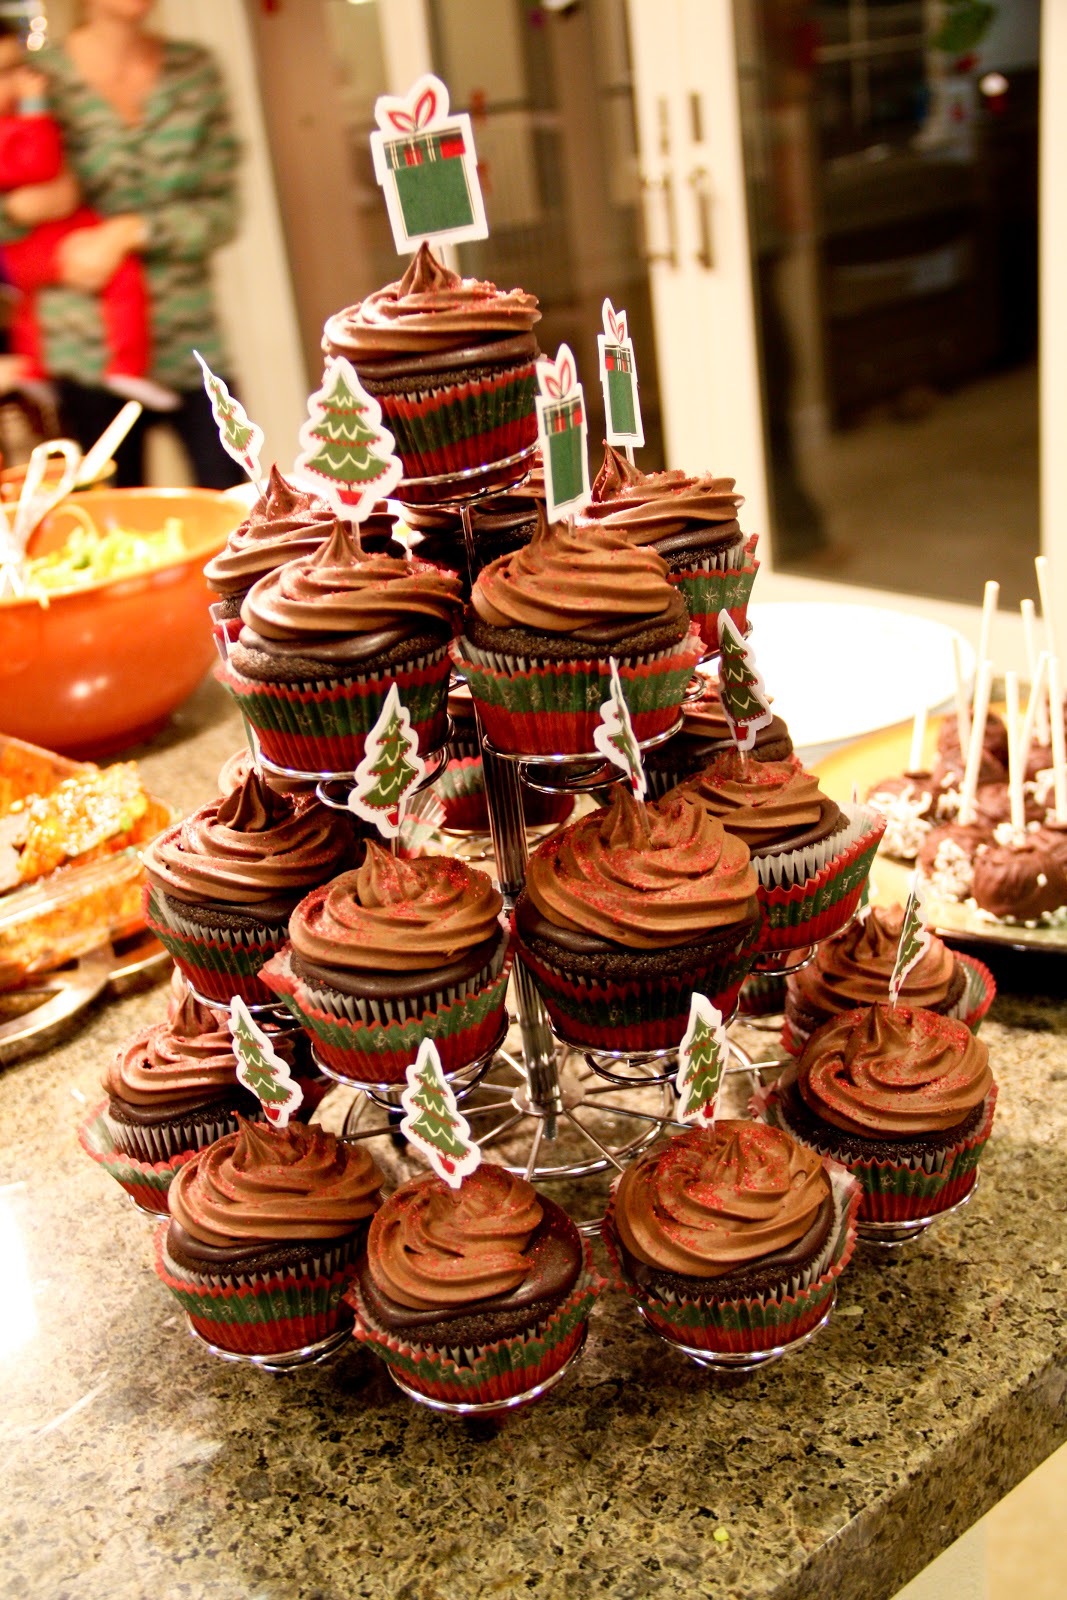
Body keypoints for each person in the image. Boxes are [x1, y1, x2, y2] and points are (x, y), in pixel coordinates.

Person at [0, 1, 243, 488]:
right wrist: (24, 214)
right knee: (116, 527)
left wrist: (128, 232)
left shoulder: (193, 73)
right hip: (84, 356)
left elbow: (221, 213)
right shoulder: (37, 79)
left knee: (239, 514)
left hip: (191, 345)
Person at [0, 18, 176, 413]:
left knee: (30, 312)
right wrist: (35, 109)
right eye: (4, 73)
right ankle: (127, 365)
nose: (19, 80)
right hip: (40, 251)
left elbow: (62, 188)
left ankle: (33, 372)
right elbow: (41, 165)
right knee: (124, 279)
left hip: (23, 258)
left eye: (18, 67)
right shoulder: (19, 123)